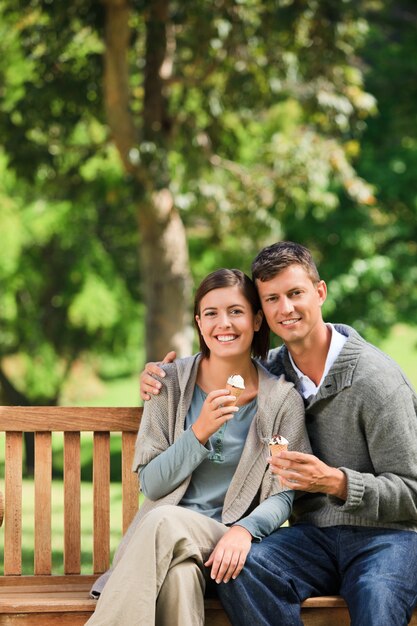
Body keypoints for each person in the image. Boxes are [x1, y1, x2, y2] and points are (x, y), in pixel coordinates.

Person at [141, 242, 417, 626]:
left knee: (376, 595)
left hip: (387, 538)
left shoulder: (378, 382)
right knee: (243, 569)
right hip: (313, 538)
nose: (285, 308)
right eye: (272, 298)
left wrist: (337, 483)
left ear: (320, 292)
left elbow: (413, 492)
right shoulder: (273, 374)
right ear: (262, 312)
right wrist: (164, 375)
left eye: (295, 293)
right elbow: (214, 363)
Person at [87, 268, 310, 626]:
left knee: (162, 521)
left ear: (256, 320)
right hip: (169, 548)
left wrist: (244, 531)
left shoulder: (281, 401)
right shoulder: (168, 384)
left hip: (226, 541)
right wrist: (199, 432)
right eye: (211, 313)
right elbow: (152, 484)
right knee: (178, 578)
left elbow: (283, 494)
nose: (224, 323)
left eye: (236, 311)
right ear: (199, 323)